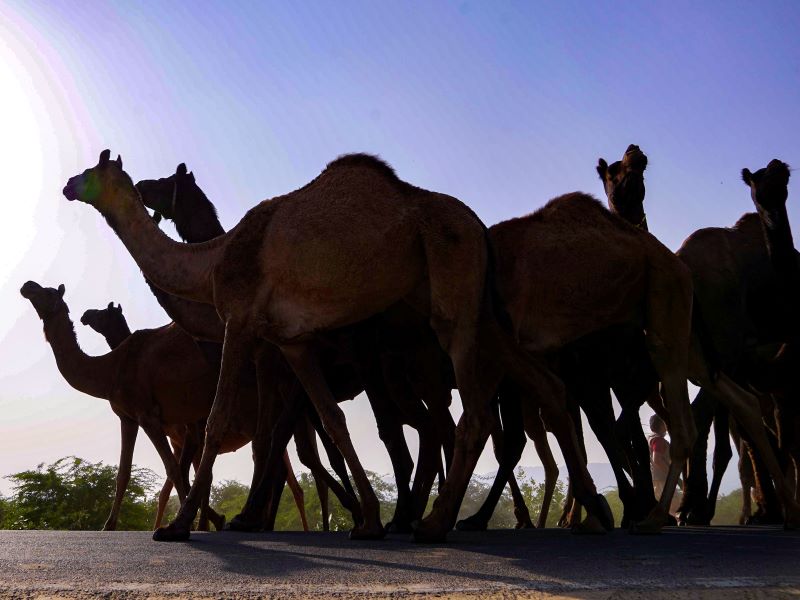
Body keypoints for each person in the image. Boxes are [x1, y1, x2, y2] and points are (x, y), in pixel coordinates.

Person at [649, 414, 681, 515]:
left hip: (657, 480)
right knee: (673, 506)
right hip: (662, 481)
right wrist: (673, 475)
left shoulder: (651, 438)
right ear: (663, 425)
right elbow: (657, 459)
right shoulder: (658, 441)